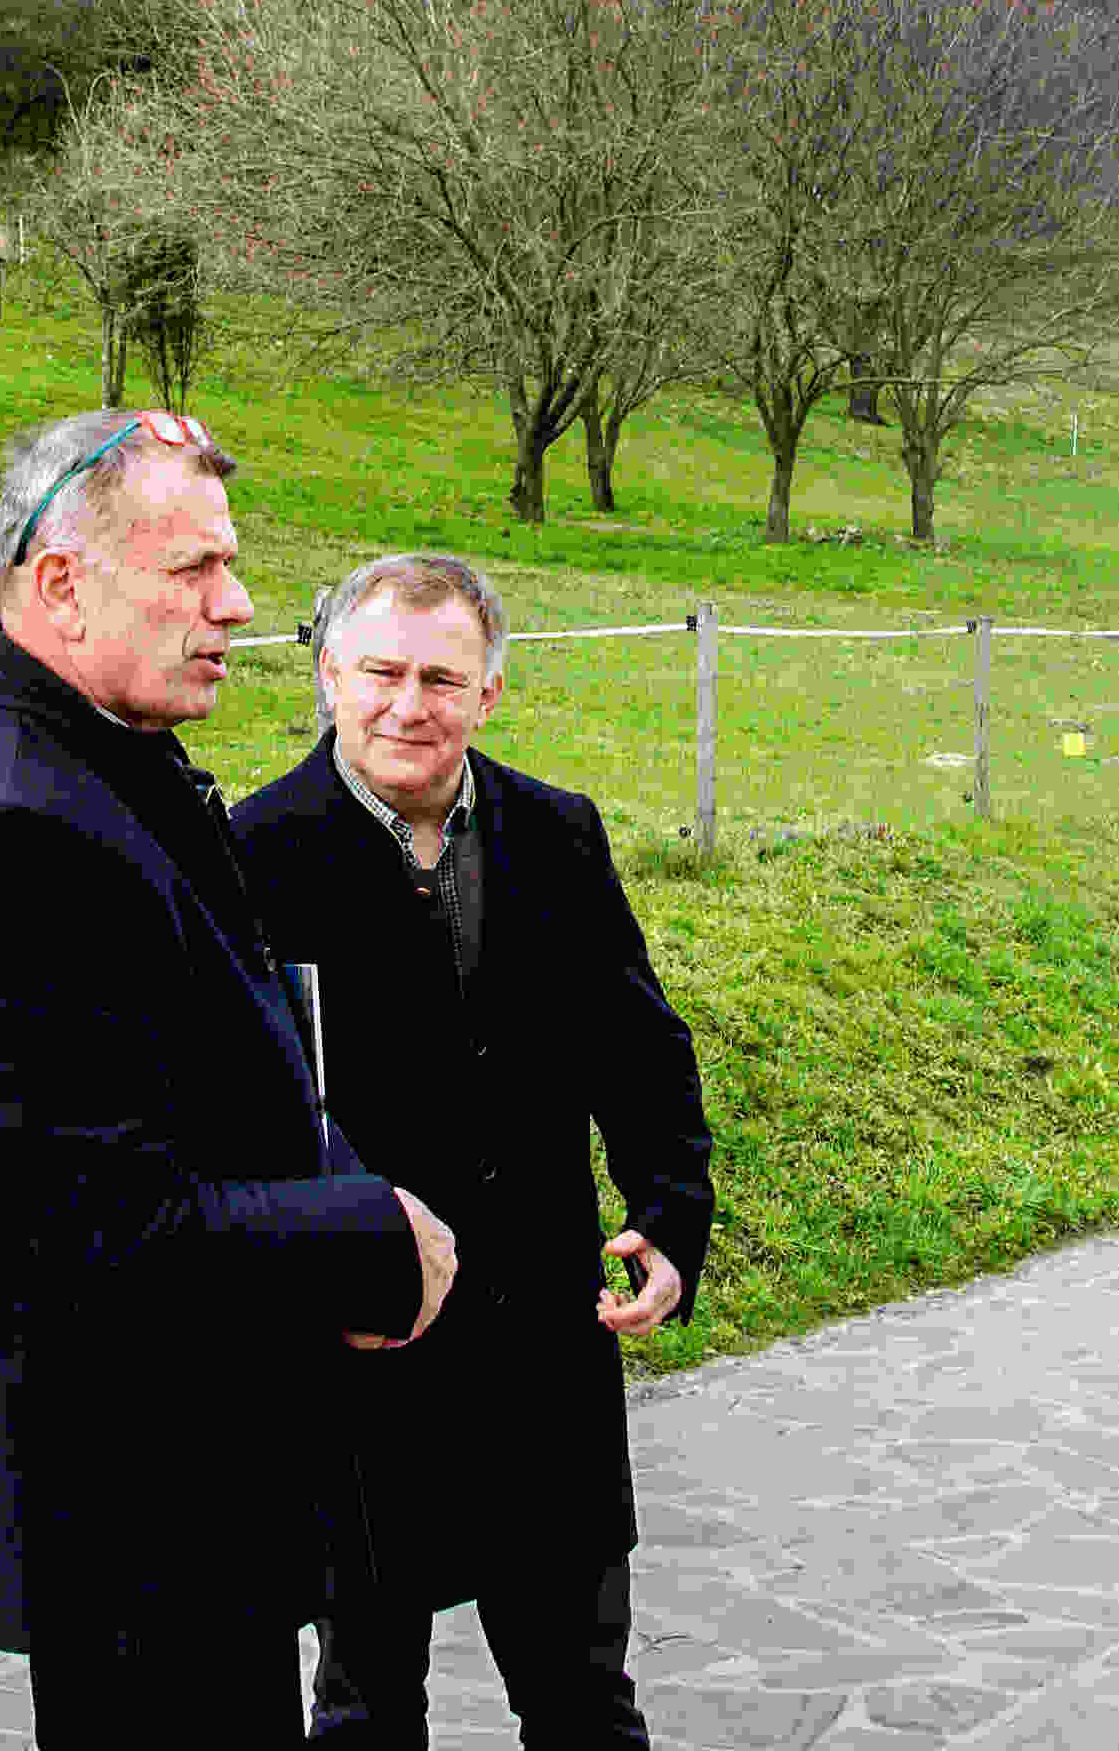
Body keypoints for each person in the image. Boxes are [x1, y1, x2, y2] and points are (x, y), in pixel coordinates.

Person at [0, 408, 464, 1746]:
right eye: (193, 571)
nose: (238, 607)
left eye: (229, 566)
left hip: (179, 1486)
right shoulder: (16, 829)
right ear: (61, 583)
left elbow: (234, 1062)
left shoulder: (94, 761)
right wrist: (367, 1231)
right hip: (127, 1503)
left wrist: (349, 1185)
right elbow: (98, 1231)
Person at [233, 551, 714, 1749]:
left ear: (489, 693)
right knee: (363, 1708)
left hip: (544, 1352)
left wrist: (668, 1207)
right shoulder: (254, 849)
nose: (409, 704)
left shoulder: (557, 831)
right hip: (365, 1354)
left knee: (585, 1704)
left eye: (442, 677)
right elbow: (248, 1107)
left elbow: (638, 1043)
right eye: (381, 671)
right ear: (330, 672)